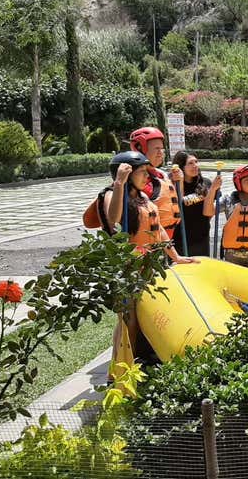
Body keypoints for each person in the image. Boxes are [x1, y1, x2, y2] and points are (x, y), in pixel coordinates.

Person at [83, 151, 196, 378]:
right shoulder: (110, 195)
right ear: (127, 173)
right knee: (129, 322)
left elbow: (159, 229)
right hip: (128, 268)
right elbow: (113, 218)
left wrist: (175, 257)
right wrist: (119, 184)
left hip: (149, 267)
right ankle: (120, 372)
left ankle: (141, 363)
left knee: (147, 319)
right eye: (142, 172)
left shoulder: (143, 198)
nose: (147, 176)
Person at [129, 127, 182, 240]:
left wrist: (179, 181)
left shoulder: (162, 175)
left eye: (162, 149)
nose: (160, 153)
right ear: (140, 149)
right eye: (157, 149)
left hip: (169, 238)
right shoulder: (136, 181)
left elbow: (175, 200)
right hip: (150, 241)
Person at [172, 150, 212, 256]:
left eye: (196, 162)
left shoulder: (206, 183)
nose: (195, 166)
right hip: (180, 237)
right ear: (181, 167)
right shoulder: (172, 184)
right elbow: (177, 205)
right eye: (190, 163)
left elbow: (210, 210)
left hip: (201, 237)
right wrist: (179, 181)